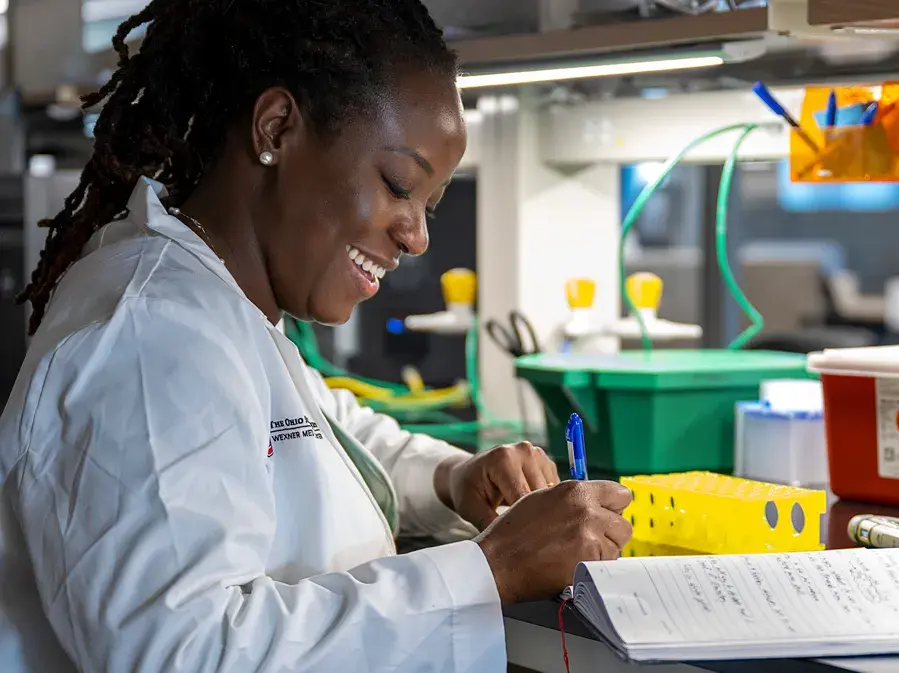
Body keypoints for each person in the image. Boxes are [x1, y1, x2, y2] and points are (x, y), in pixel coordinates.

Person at [0, 2, 634, 672]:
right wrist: (491, 568)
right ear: (277, 128)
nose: (417, 236)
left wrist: (452, 478)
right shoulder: (150, 341)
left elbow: (316, 428)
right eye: (398, 186)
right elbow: (185, 653)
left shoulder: (218, 309)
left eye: (429, 205)